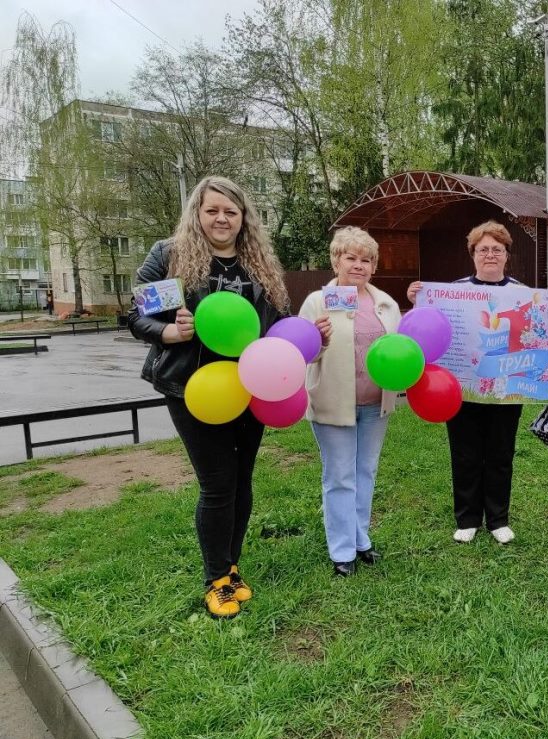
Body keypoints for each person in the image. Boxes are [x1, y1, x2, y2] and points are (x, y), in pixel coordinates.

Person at [128, 176, 330, 619]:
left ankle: (232, 567)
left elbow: (279, 324)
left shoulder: (258, 263)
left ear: (243, 219)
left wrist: (312, 338)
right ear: (197, 214)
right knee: (217, 484)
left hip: (252, 387)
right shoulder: (169, 255)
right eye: (212, 210)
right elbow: (137, 315)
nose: (221, 219)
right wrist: (169, 331)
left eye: (230, 212)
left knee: (241, 480)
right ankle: (215, 579)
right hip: (194, 387)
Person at [406, 220, 527, 545]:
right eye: (483, 249)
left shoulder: (521, 293)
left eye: (497, 249)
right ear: (473, 255)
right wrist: (417, 299)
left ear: (506, 255)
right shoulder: (452, 291)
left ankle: (498, 518)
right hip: (461, 389)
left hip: (505, 390)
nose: (490, 255)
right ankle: (468, 518)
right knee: (465, 454)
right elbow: (428, 326)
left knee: (501, 454)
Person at [299, 226, 400, 577]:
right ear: (336, 260)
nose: (358, 265)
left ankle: (360, 538)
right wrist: (318, 339)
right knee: (340, 475)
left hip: (376, 404)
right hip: (333, 404)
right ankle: (342, 552)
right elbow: (301, 354)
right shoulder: (317, 302)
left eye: (366, 259)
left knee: (366, 471)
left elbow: (400, 352)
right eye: (351, 257)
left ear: (373, 266)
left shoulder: (385, 303)